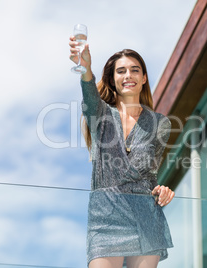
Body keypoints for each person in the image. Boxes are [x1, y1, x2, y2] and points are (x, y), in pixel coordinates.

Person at [69, 36, 175, 268]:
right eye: (121, 71)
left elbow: (150, 176)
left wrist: (162, 190)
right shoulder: (101, 115)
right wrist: (86, 70)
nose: (128, 75)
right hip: (105, 217)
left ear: (144, 78)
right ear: (112, 79)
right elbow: (89, 95)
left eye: (135, 70)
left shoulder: (160, 123)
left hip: (145, 215)